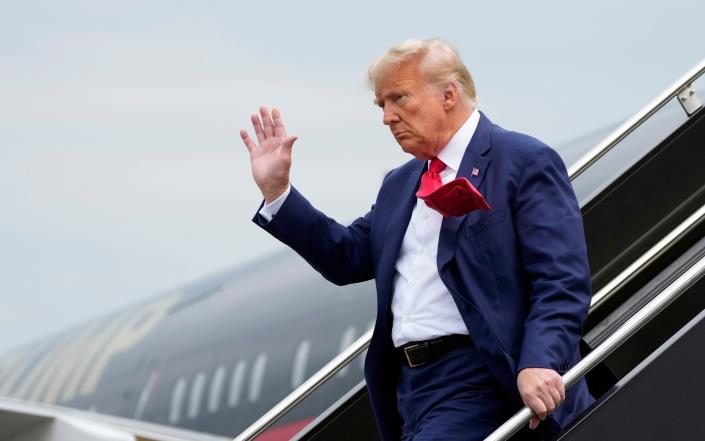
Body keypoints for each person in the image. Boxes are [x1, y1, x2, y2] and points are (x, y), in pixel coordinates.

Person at [240, 38, 594, 440]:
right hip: (410, 390)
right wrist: (278, 192)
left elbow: (561, 279)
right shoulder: (400, 184)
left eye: (399, 98)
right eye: (381, 105)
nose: (387, 117)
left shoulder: (522, 161)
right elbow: (347, 257)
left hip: (482, 375)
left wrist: (540, 361)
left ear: (448, 94)